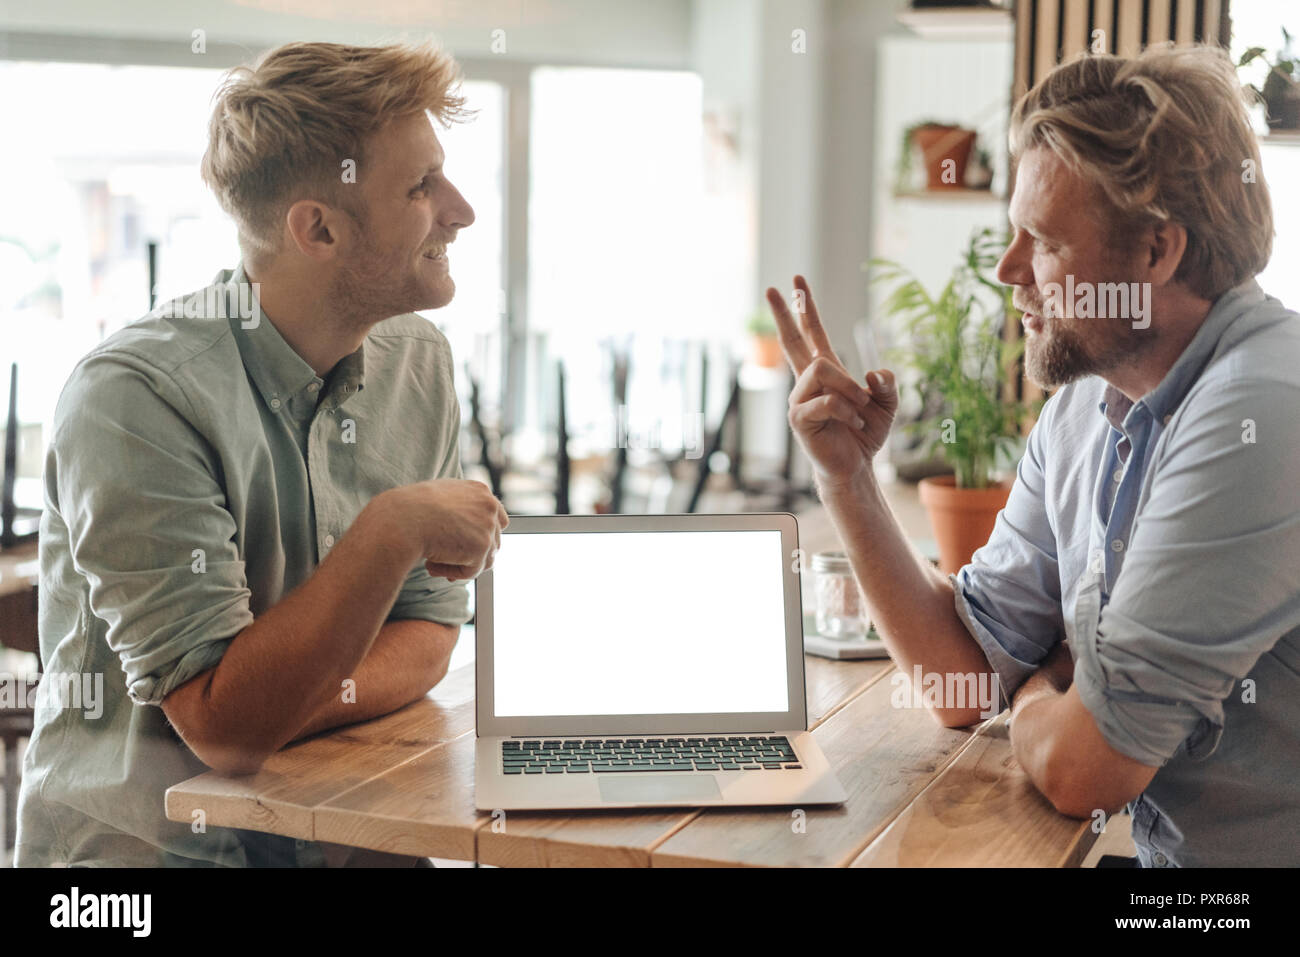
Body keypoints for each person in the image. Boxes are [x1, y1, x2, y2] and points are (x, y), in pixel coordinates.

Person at [769, 45, 1299, 867]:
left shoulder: (1261, 410)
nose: (1007, 271)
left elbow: (1086, 767)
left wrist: (1035, 693)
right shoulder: (1086, 405)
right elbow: (960, 681)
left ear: (1156, 252)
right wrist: (847, 476)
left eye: (1042, 241)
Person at [16, 41, 508, 867]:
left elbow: (428, 631)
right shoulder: (134, 396)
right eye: (420, 187)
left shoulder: (418, 360)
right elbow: (226, 729)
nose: (460, 209)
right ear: (317, 227)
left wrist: (286, 699)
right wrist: (392, 530)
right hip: (146, 862)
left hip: (347, 830)